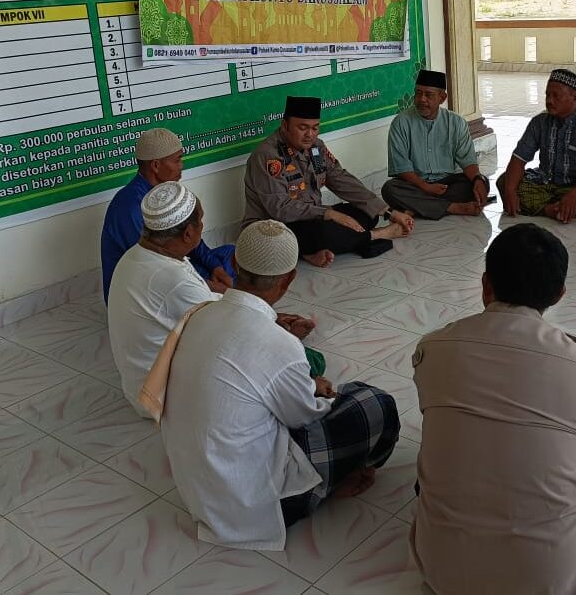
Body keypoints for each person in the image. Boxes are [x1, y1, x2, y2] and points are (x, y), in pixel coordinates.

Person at [410, 223, 576, 595]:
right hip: (556, 582)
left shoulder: (433, 349)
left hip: (441, 571)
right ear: (559, 294)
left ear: (486, 284)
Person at [159, 220, 400, 550]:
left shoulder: (201, 314)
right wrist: (315, 388)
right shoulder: (279, 345)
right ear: (290, 278)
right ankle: (329, 486)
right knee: (372, 401)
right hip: (254, 505)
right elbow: (304, 417)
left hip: (201, 495)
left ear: (233, 263)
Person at [107, 182, 320, 418]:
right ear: (188, 233)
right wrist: (280, 333)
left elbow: (206, 300)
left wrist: (274, 319)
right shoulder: (174, 281)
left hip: (140, 384)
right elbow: (233, 334)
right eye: (200, 222)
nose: (202, 227)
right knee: (305, 361)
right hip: (161, 395)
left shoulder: (138, 256)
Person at [243, 96, 415, 268]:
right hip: (274, 228)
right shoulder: (268, 156)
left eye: (315, 128)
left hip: (313, 218)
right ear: (285, 125)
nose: (309, 134)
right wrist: (329, 214)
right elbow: (280, 209)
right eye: (302, 128)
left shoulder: (317, 147)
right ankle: (379, 235)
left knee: (366, 213)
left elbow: (341, 180)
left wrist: (388, 212)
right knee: (322, 234)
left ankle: (309, 251)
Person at [100, 127, 234, 301]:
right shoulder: (129, 206)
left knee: (231, 255)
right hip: (142, 289)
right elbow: (157, 268)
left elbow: (190, 237)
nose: (181, 166)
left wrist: (215, 267)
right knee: (228, 290)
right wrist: (209, 286)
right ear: (156, 165)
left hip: (171, 267)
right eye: (177, 160)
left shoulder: (167, 193)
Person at [497, 69, 576, 223]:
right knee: (505, 182)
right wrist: (510, 191)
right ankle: (553, 210)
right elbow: (518, 159)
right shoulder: (539, 122)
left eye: (556, 96)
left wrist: (575, 195)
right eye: (547, 95)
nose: (549, 100)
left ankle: (553, 206)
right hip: (546, 184)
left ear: (575, 97)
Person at [381, 70, 489, 218]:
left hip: (447, 184)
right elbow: (401, 167)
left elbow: (467, 161)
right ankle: (453, 208)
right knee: (390, 189)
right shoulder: (401, 122)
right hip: (416, 183)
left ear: (442, 98)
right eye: (418, 93)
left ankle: (418, 206)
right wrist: (425, 187)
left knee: (480, 183)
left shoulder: (456, 122)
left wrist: (478, 179)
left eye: (429, 95)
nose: (422, 99)